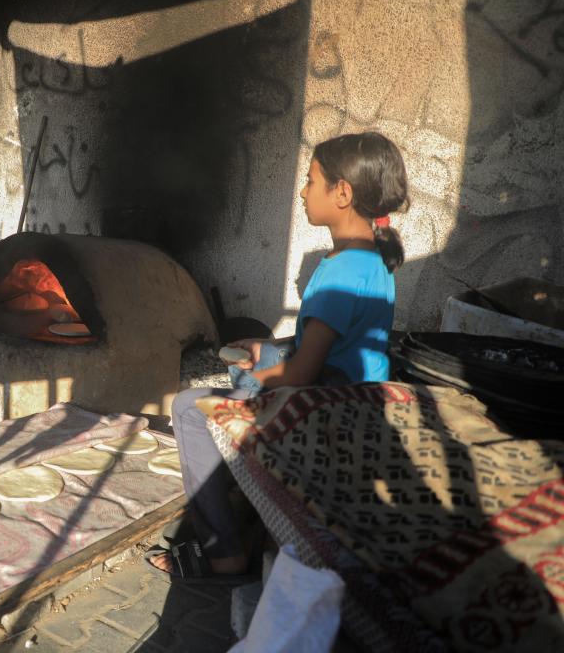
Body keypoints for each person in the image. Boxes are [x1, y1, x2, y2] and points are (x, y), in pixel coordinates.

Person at [149, 132, 408, 579]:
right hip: (359, 393)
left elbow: (304, 373)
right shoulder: (373, 260)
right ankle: (246, 512)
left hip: (330, 406)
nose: (303, 191)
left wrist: (262, 373)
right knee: (257, 366)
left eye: (311, 181)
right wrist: (268, 353)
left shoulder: (340, 272)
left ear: (342, 193)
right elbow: (331, 345)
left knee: (189, 407)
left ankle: (222, 549)